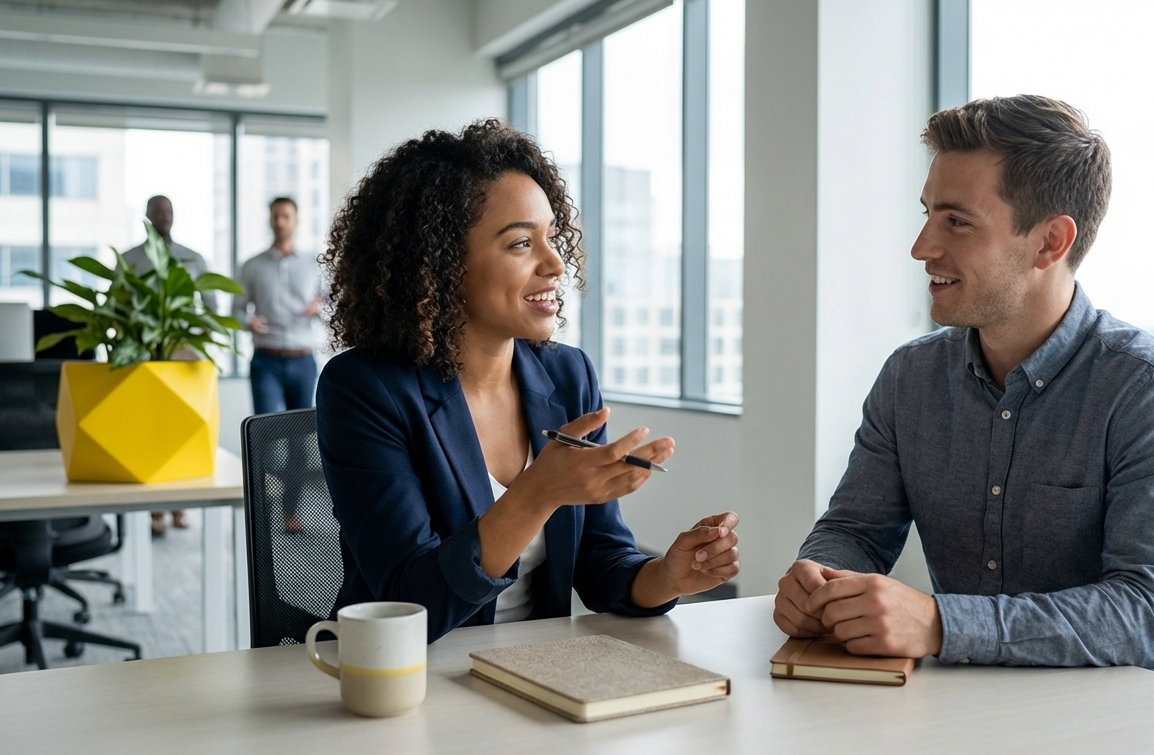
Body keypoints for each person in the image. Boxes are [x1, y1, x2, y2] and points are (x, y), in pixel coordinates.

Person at [773, 95, 1154, 682]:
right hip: (967, 708)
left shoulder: (1153, 392)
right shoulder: (910, 379)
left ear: (1050, 243)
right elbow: (855, 530)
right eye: (927, 213)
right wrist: (822, 579)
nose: (922, 247)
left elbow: (1152, 618)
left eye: (956, 221)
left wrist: (939, 624)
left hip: (1123, 725)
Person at [316, 120, 741, 641]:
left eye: (551, 237)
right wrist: (537, 494)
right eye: (521, 243)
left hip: (529, 671)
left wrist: (664, 576)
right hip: (404, 678)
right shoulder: (364, 387)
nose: (556, 263)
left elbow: (601, 560)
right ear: (441, 265)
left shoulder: (568, 375)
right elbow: (409, 602)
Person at [232, 197, 323, 533]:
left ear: (295, 220)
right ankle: (261, 508)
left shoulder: (315, 263)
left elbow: (334, 306)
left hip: (302, 360)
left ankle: (290, 512)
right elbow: (237, 311)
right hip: (266, 361)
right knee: (266, 437)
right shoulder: (252, 265)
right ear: (270, 220)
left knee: (299, 442)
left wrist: (320, 311)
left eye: (286, 216)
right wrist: (248, 323)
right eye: (275, 216)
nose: (280, 221)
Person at [122, 194, 210, 536]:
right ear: (146, 215)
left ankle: (179, 504)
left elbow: (211, 307)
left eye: (168, 211)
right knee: (148, 429)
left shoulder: (193, 257)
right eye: (157, 211)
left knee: (180, 428)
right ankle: (155, 508)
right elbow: (120, 303)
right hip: (145, 353)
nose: (163, 216)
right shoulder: (131, 259)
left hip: (183, 352)